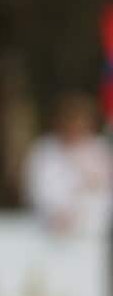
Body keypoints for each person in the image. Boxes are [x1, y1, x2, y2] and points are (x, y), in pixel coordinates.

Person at [22, 91, 113, 235]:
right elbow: (39, 189)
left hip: (96, 229)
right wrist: (56, 212)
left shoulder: (99, 150)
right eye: (71, 122)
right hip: (51, 228)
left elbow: (104, 189)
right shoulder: (45, 151)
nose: (76, 128)